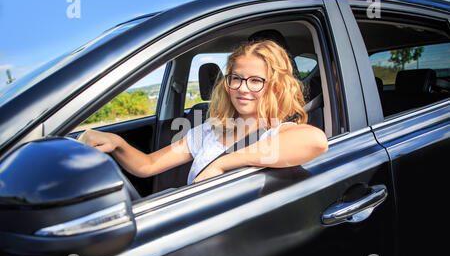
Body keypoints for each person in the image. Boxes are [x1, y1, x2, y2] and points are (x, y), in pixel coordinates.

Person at [79, 40, 328, 187]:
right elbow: (148, 165)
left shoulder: (277, 132)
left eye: (255, 81)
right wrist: (117, 143)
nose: (242, 88)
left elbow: (315, 141)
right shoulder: (208, 130)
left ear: (274, 86)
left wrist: (222, 164)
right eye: (236, 78)